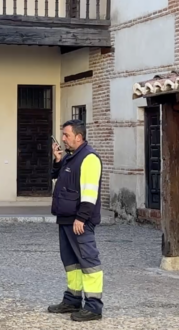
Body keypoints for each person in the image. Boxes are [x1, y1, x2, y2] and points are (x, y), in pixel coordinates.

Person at [48, 119, 104, 322]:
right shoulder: (71, 158)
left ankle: (93, 307)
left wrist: (81, 218)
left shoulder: (89, 158)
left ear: (78, 137)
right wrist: (57, 160)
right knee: (71, 263)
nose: (63, 139)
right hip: (65, 219)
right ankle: (72, 300)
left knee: (89, 262)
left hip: (79, 221)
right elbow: (56, 177)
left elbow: (90, 192)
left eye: (66, 135)